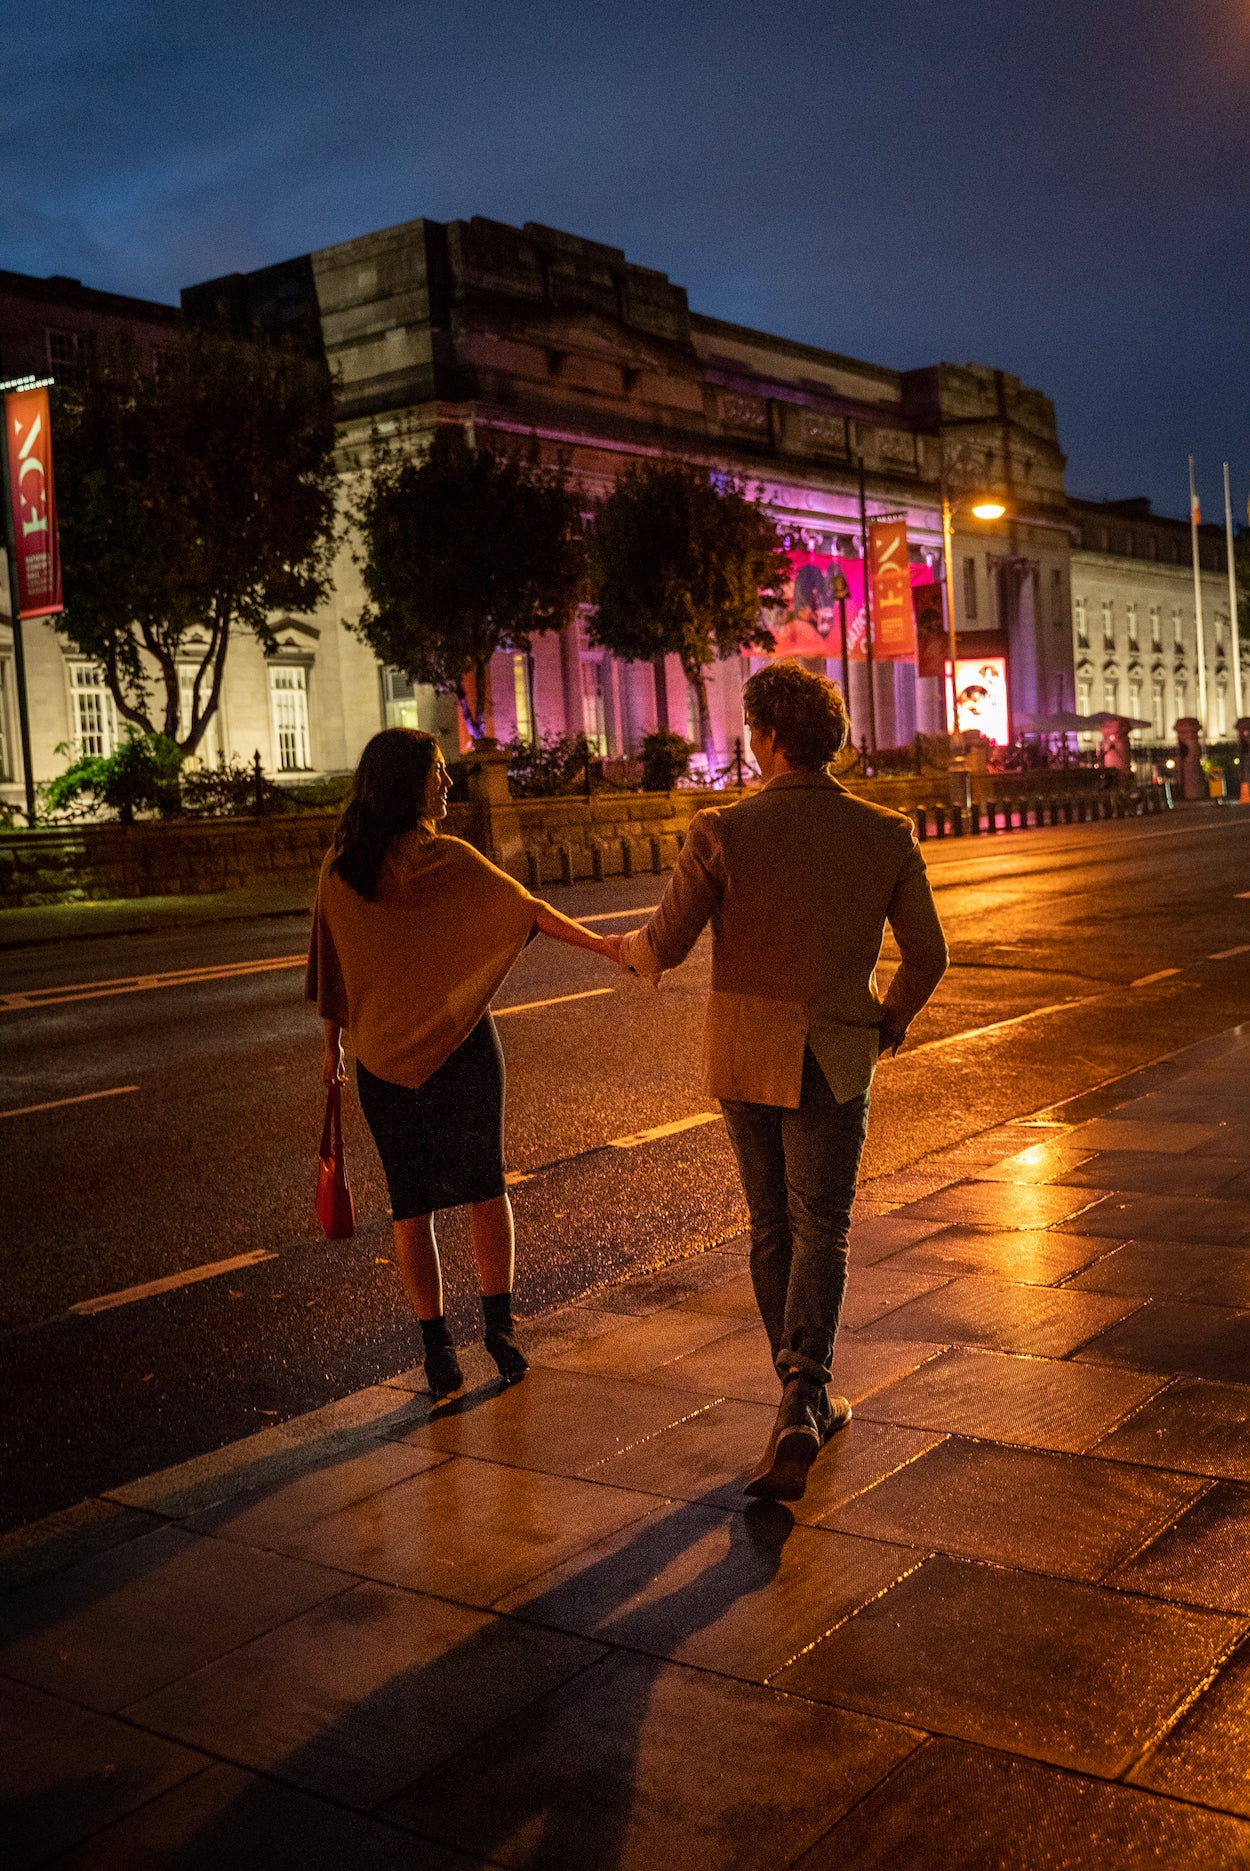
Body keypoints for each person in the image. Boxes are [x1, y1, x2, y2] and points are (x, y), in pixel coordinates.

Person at [608, 663, 948, 1501]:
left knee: (770, 1224)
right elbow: (928, 956)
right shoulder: (886, 832)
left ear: (766, 736)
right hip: (835, 1052)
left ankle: (798, 1394)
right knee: (821, 1223)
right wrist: (886, 1022)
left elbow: (663, 944)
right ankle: (806, 1390)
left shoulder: (724, 830)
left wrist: (624, 951)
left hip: (747, 1053)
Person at [307, 727, 618, 1402]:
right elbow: (528, 912)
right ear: (407, 784)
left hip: (382, 1062)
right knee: (483, 1187)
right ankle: (498, 1332)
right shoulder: (443, 858)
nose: (448, 782)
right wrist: (606, 947)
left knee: (412, 1204)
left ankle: (438, 1350)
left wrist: (333, 1049)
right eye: (438, 772)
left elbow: (333, 971)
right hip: (464, 1047)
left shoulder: (341, 868)